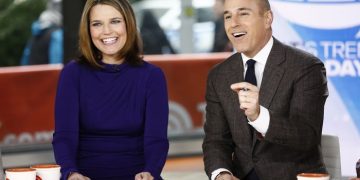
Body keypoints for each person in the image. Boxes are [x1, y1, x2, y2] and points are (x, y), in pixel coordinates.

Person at [202, 0, 329, 180]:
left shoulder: (306, 67)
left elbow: (307, 137)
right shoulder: (219, 75)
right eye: (228, 16)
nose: (234, 23)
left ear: (268, 18)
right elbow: (216, 141)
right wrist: (222, 173)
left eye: (243, 13)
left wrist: (258, 116)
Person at [52, 0, 169, 179]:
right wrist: (70, 172)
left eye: (115, 21)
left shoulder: (152, 76)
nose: (107, 31)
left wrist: (150, 171)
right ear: (88, 30)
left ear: (128, 24)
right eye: (97, 24)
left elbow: (156, 140)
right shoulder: (72, 74)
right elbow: (64, 136)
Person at [21, 0, 63, 65]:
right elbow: (57, 66)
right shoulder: (57, 34)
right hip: (50, 75)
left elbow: (24, 63)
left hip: (32, 74)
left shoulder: (35, 34)